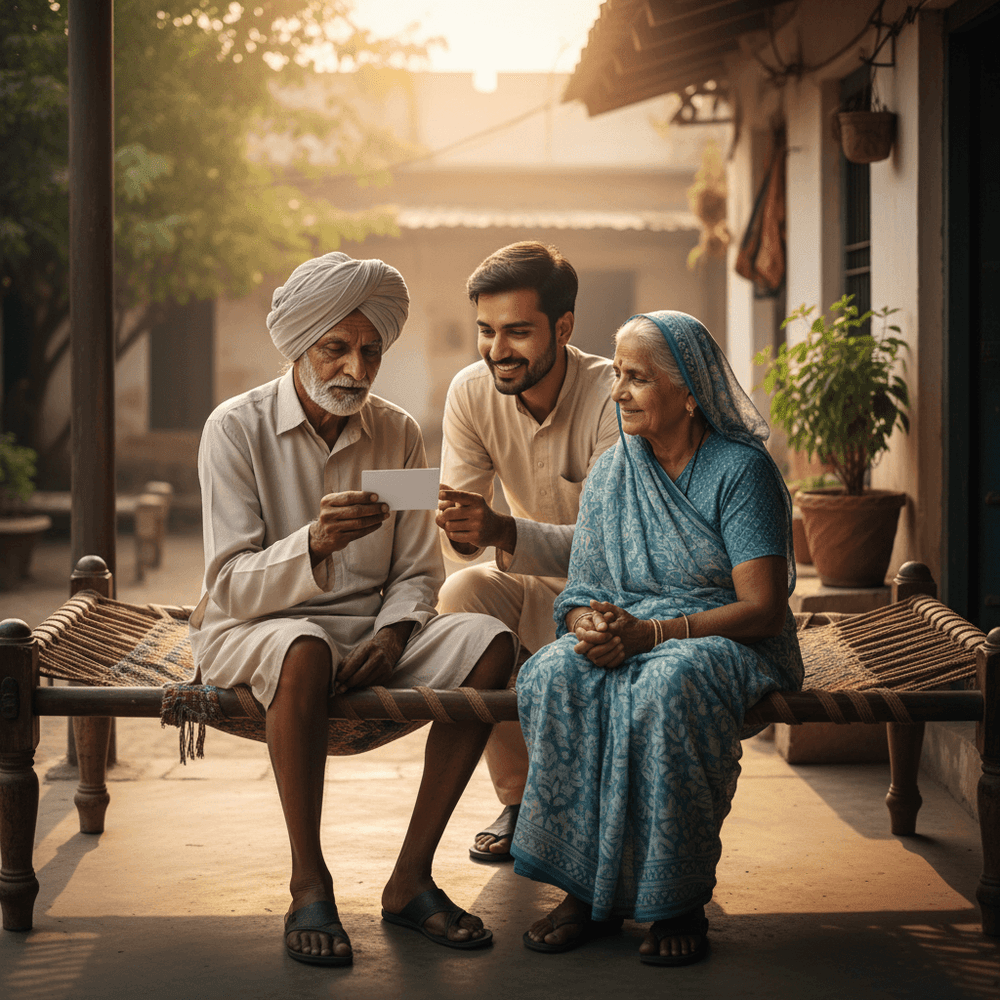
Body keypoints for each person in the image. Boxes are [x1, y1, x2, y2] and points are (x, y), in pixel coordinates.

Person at [189, 252, 516, 967]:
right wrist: (313, 543)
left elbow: (417, 571)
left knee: (492, 643)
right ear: (299, 345)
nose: (355, 369)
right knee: (303, 647)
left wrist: (396, 632)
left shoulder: (397, 433)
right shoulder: (234, 429)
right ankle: (309, 882)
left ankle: (410, 879)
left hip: (370, 633)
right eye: (336, 348)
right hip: (256, 630)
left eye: (370, 352)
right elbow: (230, 585)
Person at [511, 310, 804, 966]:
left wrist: (655, 634)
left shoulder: (740, 471)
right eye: (616, 374)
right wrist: (590, 626)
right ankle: (583, 891)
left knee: (668, 685)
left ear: (689, 392)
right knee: (553, 673)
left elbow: (762, 608)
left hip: (726, 638)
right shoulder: (613, 472)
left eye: (637, 378)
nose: (617, 391)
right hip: (633, 629)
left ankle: (677, 902)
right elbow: (582, 592)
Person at [434, 242, 618, 862]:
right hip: (533, 582)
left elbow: (610, 546)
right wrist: (462, 529)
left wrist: (503, 531)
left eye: (517, 331)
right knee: (461, 592)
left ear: (563, 328)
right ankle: (518, 797)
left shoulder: (612, 396)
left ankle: (588, 802)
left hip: (617, 594)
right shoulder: (470, 391)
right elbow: (464, 542)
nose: (497, 350)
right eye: (486, 331)